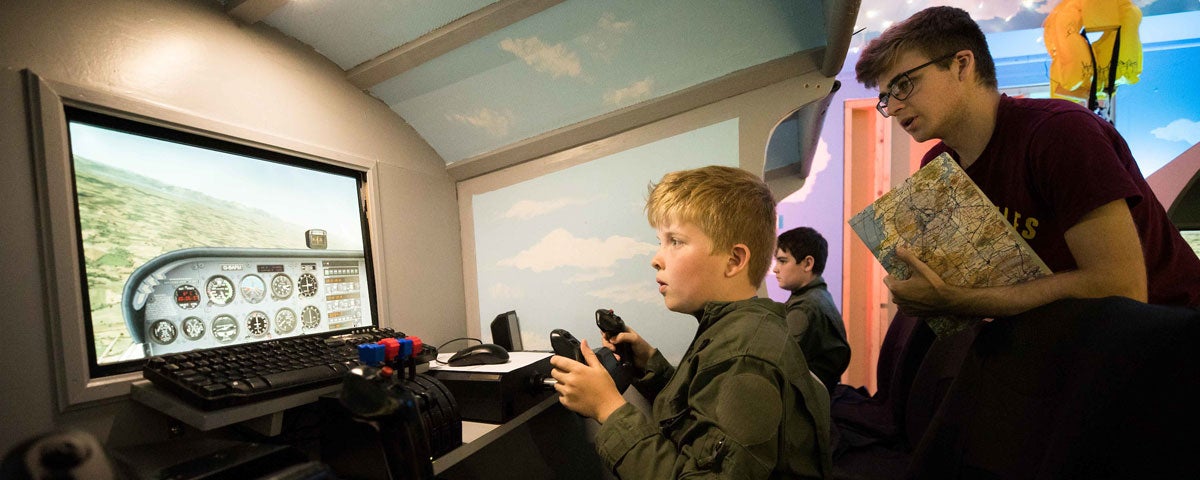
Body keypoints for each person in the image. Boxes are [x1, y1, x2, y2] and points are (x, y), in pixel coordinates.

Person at [854, 6, 1200, 318]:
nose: (893, 107)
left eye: (904, 85)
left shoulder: (1061, 133)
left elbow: (1121, 287)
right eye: (885, 97)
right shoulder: (938, 166)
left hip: (1165, 341)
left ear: (961, 64)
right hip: (1062, 345)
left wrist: (960, 300)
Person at [549, 166, 832, 478]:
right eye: (661, 241)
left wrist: (608, 408)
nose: (656, 259)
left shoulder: (743, 356)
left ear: (734, 260)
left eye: (675, 241)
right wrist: (650, 365)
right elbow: (702, 419)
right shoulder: (737, 329)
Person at [774, 226, 850, 393]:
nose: (775, 269)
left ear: (808, 263)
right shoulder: (818, 296)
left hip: (806, 401)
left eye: (783, 261)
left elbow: (777, 363)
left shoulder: (804, 309)